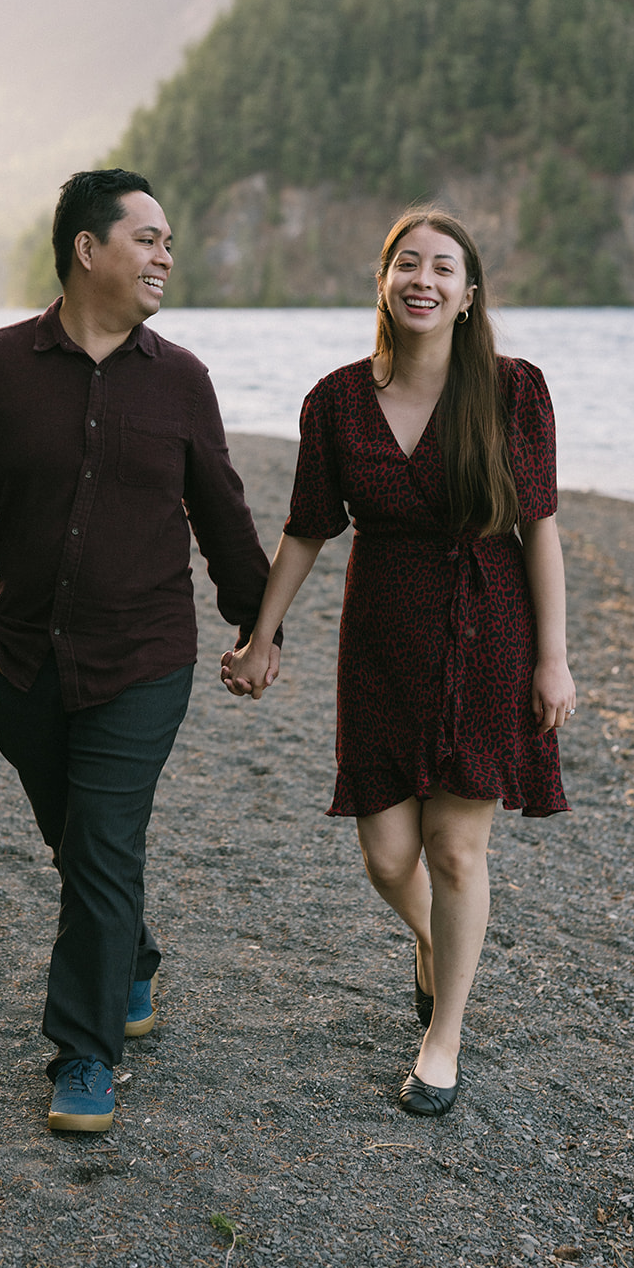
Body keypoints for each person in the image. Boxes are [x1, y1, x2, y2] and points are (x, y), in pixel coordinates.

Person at [0, 168, 279, 1132]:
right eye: (149, 238)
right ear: (88, 250)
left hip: (144, 658)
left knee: (105, 838)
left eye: (169, 241)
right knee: (76, 841)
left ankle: (83, 1055)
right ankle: (132, 960)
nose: (167, 255)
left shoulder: (181, 381)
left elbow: (223, 515)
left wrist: (256, 625)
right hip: (23, 658)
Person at [223, 208, 574, 1117]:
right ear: (382, 283)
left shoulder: (513, 391)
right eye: (406, 264)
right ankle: (431, 942)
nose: (423, 279)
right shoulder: (336, 400)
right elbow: (307, 528)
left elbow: (539, 531)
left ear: (467, 295)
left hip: (488, 633)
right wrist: (263, 635)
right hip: (379, 638)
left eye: (443, 268)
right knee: (386, 855)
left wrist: (554, 661)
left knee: (456, 849)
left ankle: (442, 1035)